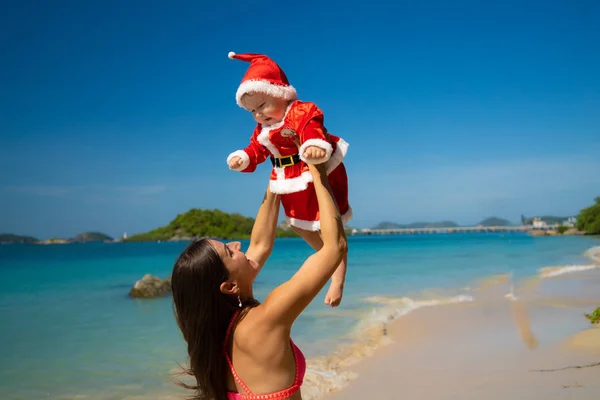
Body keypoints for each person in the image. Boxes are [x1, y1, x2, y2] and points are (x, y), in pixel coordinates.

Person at [171, 161, 348, 400]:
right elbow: (334, 248)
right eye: (229, 252)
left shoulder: (219, 333)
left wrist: (279, 168)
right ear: (230, 286)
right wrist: (318, 173)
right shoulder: (265, 320)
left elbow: (261, 244)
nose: (237, 245)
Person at [225, 52, 351, 307]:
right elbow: (256, 150)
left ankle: (337, 277)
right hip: (286, 178)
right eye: (252, 111)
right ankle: (326, 256)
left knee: (330, 228)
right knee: (298, 225)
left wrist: (315, 146)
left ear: (281, 94)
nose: (258, 115)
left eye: (262, 106)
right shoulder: (263, 130)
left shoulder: (302, 111)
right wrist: (244, 158)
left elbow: (312, 129)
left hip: (314, 170)